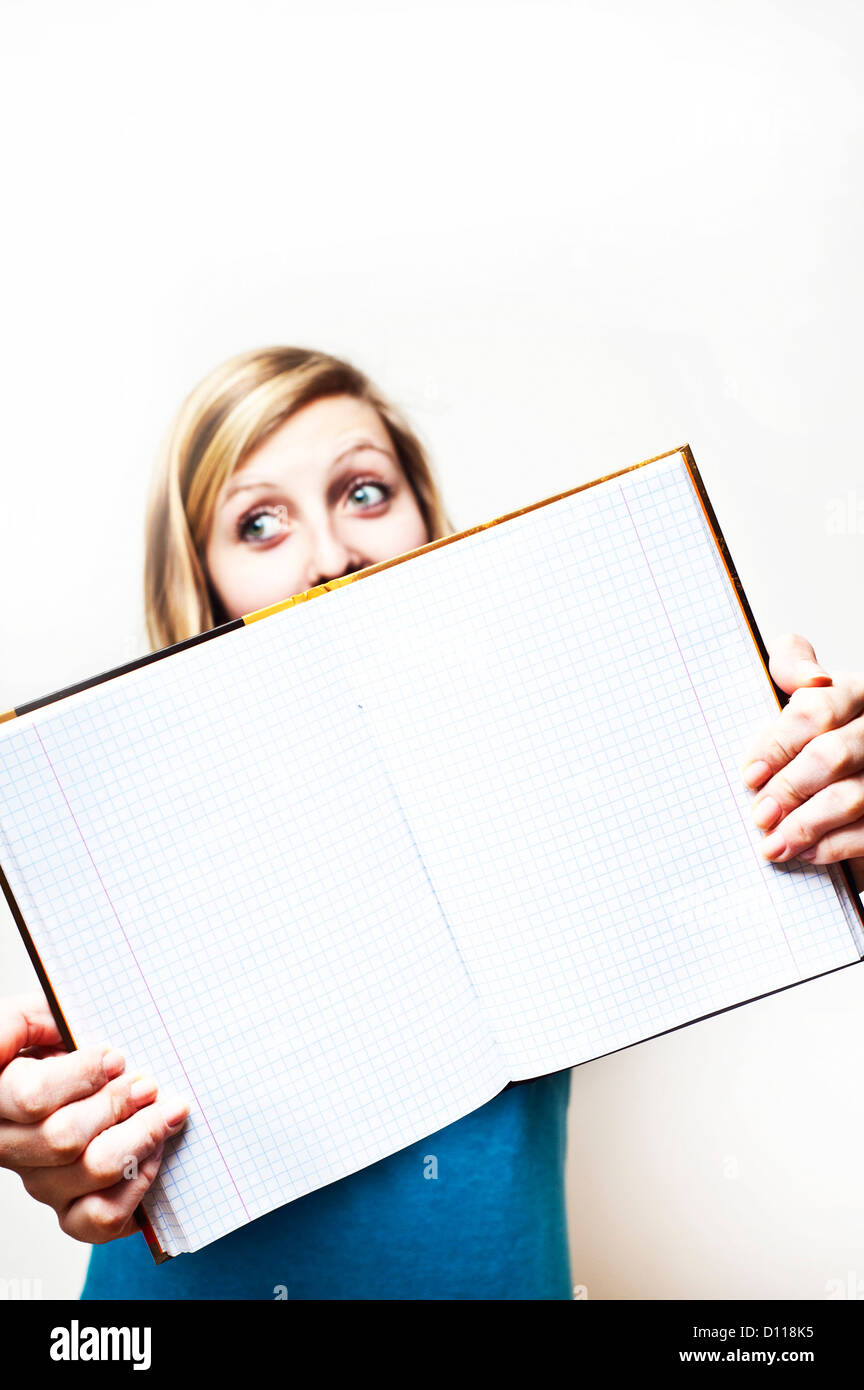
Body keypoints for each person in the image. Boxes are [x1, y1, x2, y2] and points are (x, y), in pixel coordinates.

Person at [1, 346, 863, 1299]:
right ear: (201, 583)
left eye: (364, 492)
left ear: (427, 522)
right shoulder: (124, 850)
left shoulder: (550, 769)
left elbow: (754, 867)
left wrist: (811, 793)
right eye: (259, 522)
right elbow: (74, 1134)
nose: (329, 556)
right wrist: (58, 1135)